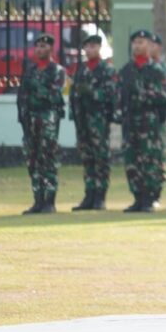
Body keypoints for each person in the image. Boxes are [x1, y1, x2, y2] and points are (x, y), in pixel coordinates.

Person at [119, 30, 166, 213]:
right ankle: (137, 197)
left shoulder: (156, 70)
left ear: (149, 45)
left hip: (150, 123)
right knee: (132, 159)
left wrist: (142, 96)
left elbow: (163, 97)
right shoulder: (126, 70)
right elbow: (121, 97)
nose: (137, 45)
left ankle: (150, 197)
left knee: (150, 160)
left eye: (141, 42)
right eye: (135, 42)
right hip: (131, 122)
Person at [18, 33, 66, 214]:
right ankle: (38, 200)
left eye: (44, 46)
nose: (40, 49)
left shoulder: (57, 71)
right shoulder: (30, 71)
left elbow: (53, 96)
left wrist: (36, 88)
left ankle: (50, 201)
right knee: (33, 159)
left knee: (48, 159)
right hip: (30, 120)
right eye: (37, 46)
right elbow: (22, 96)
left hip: (47, 120)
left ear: (51, 49)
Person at [69, 34, 116, 211]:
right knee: (87, 158)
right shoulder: (80, 70)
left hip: (99, 121)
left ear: (99, 48)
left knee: (100, 159)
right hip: (83, 121)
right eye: (87, 47)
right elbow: (74, 95)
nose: (90, 50)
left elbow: (110, 95)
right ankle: (89, 195)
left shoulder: (106, 70)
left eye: (94, 46)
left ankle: (100, 196)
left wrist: (92, 93)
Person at [150, 33, 166, 206]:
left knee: (158, 156)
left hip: (158, 119)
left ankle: (156, 192)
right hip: (141, 122)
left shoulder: (163, 69)